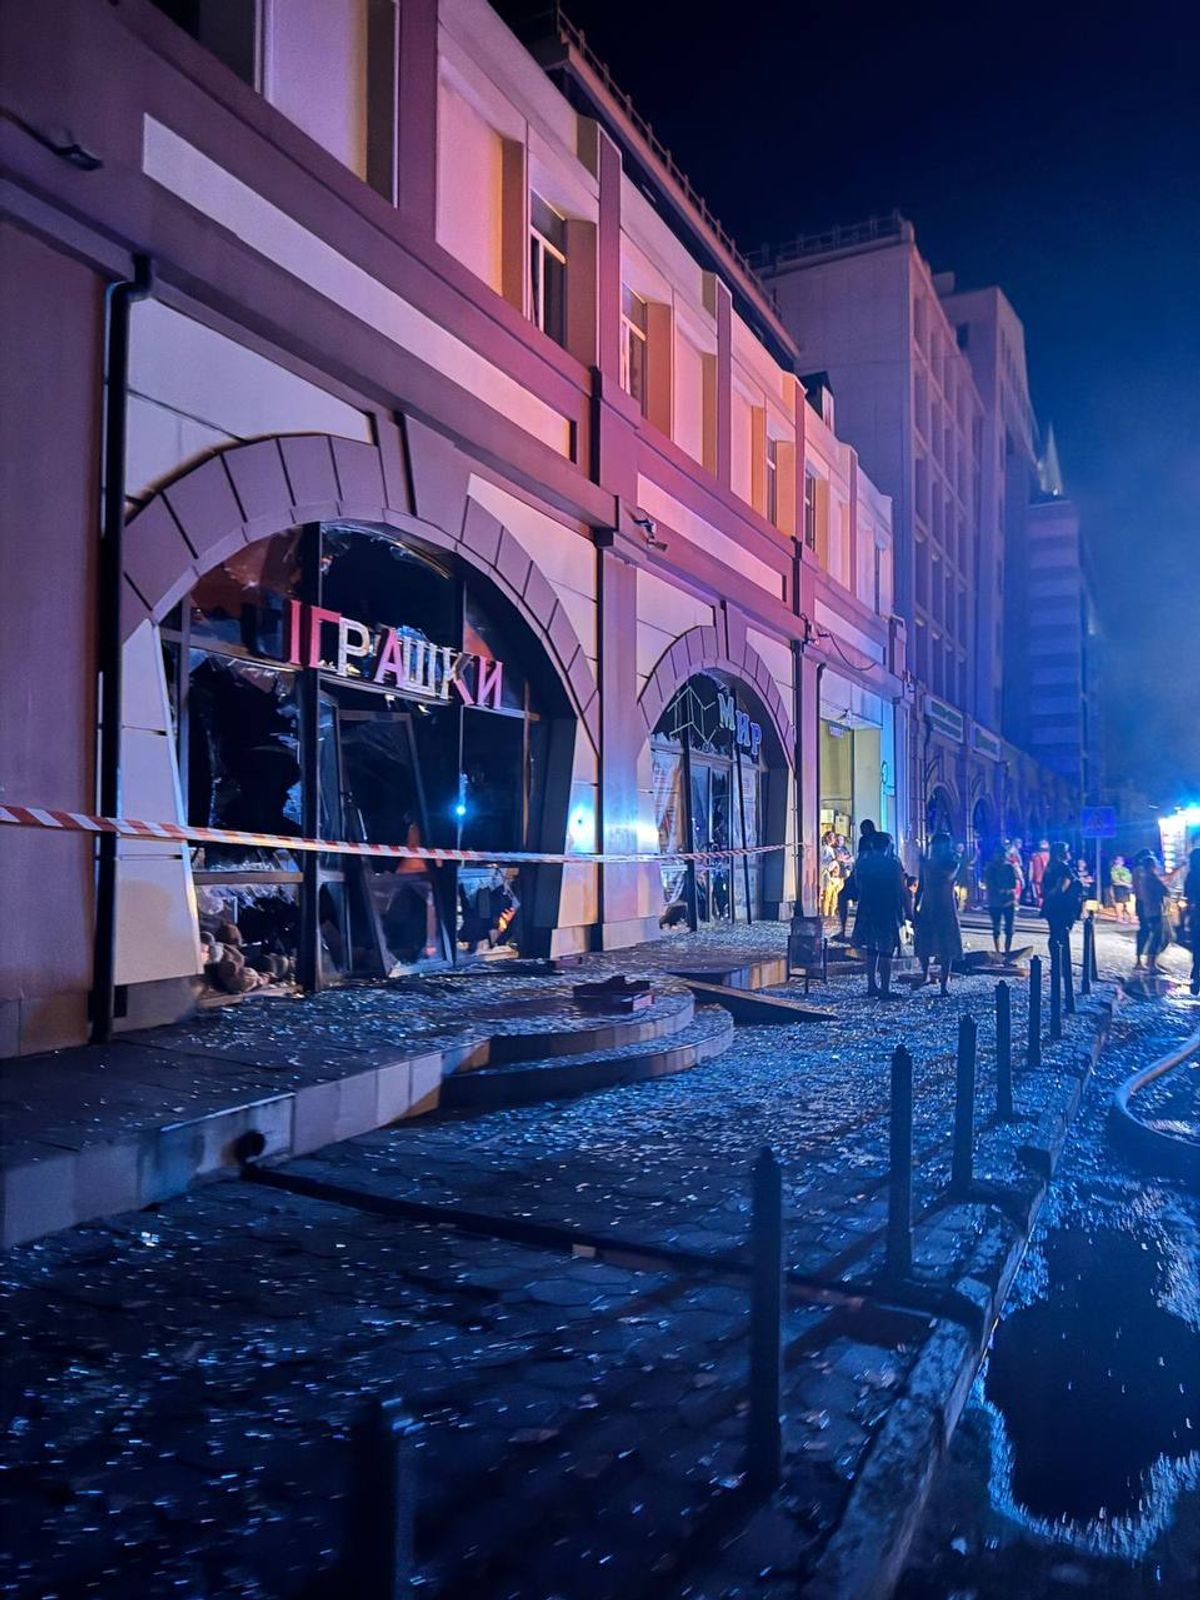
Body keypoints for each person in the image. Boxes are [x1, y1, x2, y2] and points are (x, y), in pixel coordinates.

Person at [853, 831, 912, 1000]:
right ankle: (885, 988)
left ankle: (871, 985)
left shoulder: (864, 864)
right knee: (887, 949)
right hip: (887, 908)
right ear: (887, 846)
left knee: (871, 948)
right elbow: (901, 889)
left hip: (868, 908)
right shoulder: (892, 865)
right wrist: (908, 911)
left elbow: (858, 885)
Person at [914, 832, 963, 994]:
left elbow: (946, 876)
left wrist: (926, 864)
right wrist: (915, 905)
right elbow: (921, 885)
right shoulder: (927, 863)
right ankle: (925, 974)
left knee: (946, 945)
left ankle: (944, 982)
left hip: (945, 906)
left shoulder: (952, 862)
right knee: (924, 943)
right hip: (928, 905)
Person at [1042, 841, 1083, 972]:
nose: (1069, 853)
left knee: (1054, 934)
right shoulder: (1063, 868)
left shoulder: (1050, 867)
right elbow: (1061, 888)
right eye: (1067, 850)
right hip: (1064, 908)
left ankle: (1057, 964)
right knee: (1061, 935)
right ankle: (1061, 966)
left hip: (1052, 907)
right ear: (1061, 853)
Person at [837, 818, 877, 939]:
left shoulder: (869, 840)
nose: (862, 832)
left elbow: (862, 858)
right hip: (863, 874)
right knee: (842, 895)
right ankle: (844, 930)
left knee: (846, 897)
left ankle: (846, 931)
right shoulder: (865, 840)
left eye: (863, 829)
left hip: (867, 876)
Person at [1132, 850, 1170, 973]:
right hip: (1151, 908)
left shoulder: (1143, 875)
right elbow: (1165, 890)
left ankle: (1149, 960)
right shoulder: (1149, 876)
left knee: (1150, 933)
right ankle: (1151, 961)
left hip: (1145, 906)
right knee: (1157, 935)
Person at [984, 842, 1021, 958]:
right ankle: (998, 951)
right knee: (996, 928)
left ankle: (1007, 951)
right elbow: (989, 883)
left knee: (1009, 928)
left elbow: (1013, 883)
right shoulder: (991, 868)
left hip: (1008, 901)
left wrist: (1006, 890)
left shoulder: (1010, 867)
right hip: (995, 901)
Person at [1184, 847, 1200, 997]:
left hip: (1196, 915)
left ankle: (1196, 971)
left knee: (1197, 944)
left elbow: (1188, 897)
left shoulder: (1191, 875)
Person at [1109, 854, 1134, 923]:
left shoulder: (1125, 869)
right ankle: (1119, 918)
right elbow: (1115, 880)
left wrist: (1128, 883)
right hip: (1119, 888)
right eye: (1118, 860)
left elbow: (1129, 877)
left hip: (1127, 888)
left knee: (1127, 903)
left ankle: (1129, 918)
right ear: (1115, 861)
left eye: (1121, 860)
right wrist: (1125, 883)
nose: (1120, 861)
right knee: (1119, 903)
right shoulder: (1114, 869)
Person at [1029, 839, 1051, 909]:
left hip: (1037, 878)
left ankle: (1040, 906)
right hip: (1047, 877)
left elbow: (1031, 868)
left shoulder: (1034, 856)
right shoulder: (1050, 856)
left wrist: (1029, 878)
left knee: (1039, 893)